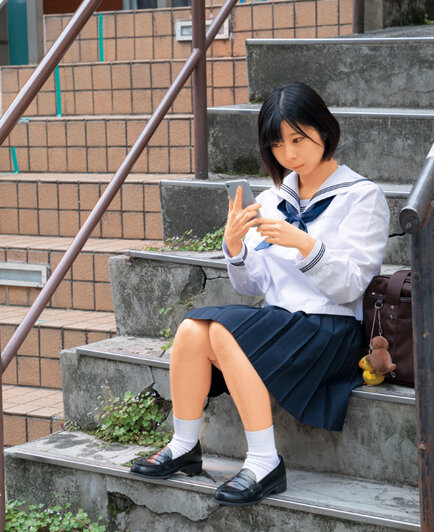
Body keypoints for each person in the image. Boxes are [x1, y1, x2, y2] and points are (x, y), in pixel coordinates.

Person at [130, 82, 391, 506]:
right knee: (192, 330)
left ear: (325, 130)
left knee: (223, 331)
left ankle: (265, 462)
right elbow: (252, 286)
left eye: (298, 139)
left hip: (333, 328)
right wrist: (235, 248)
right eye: (277, 144)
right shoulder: (272, 200)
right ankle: (184, 446)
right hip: (282, 321)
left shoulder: (362, 196)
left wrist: (303, 244)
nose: (289, 153)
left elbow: (350, 285)